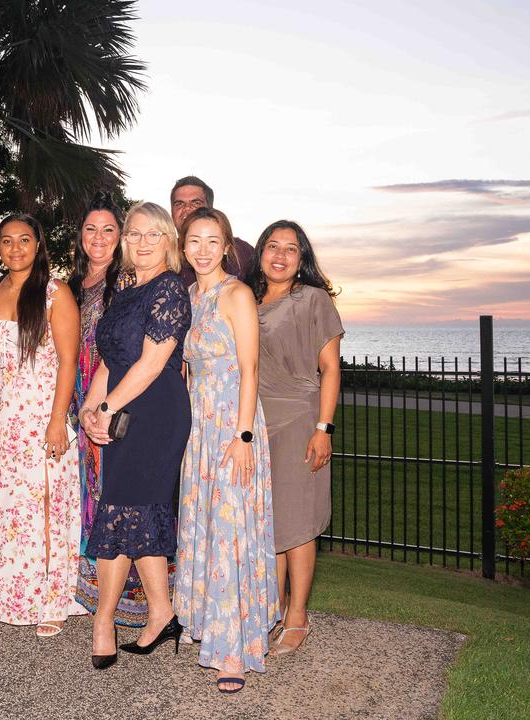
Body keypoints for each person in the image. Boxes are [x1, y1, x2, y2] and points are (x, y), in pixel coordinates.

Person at [79, 201, 191, 670]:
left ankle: (103, 622)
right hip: (121, 406)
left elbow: (151, 363)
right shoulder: (125, 288)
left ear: (169, 241)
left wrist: (107, 406)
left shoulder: (170, 290)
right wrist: (90, 404)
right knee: (137, 512)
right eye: (136, 235)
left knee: (119, 511)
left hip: (155, 414)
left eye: (153, 235)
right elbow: (111, 357)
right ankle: (163, 612)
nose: (143, 243)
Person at [174, 207, 278, 693]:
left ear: (227, 246)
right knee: (207, 526)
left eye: (212, 241)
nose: (202, 250)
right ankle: (208, 627)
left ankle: (235, 649)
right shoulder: (190, 296)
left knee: (233, 529)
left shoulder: (237, 294)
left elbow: (251, 369)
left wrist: (243, 437)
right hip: (199, 427)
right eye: (194, 240)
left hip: (234, 426)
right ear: (183, 245)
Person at [0, 214, 84, 637]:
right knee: (8, 510)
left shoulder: (55, 293)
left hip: (43, 414)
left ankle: (53, 601)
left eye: (25, 240)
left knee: (47, 507)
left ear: (39, 244)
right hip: (4, 416)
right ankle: (10, 595)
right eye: (7, 241)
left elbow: (68, 362)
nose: (16, 248)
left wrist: (58, 421)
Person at [247, 220, 343, 657]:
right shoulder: (246, 298)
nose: (280, 255)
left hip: (300, 420)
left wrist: (324, 428)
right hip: (255, 423)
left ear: (301, 258)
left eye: (290, 249)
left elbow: (331, 369)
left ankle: (298, 618)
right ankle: (275, 610)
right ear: (261, 253)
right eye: (272, 246)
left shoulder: (313, 300)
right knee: (270, 525)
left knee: (299, 525)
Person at [66, 196, 149, 627]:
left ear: (120, 238)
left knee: (117, 491)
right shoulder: (70, 284)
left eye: (108, 230)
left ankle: (131, 597)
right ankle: (94, 589)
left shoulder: (129, 282)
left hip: (114, 395)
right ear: (80, 236)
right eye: (90, 229)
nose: (98, 238)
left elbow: (130, 347)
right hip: (77, 398)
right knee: (87, 491)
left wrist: (101, 403)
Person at [170, 176, 254, 286]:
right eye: (179, 204)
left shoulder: (241, 252)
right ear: (172, 212)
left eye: (196, 203)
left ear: (210, 208)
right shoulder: (163, 254)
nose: (187, 208)